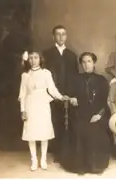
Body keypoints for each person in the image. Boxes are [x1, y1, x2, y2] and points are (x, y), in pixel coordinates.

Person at [18, 50, 68, 171]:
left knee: (43, 132)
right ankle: (34, 160)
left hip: (42, 104)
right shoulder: (25, 75)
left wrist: (61, 97)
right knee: (31, 133)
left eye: (36, 57)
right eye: (30, 58)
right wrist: (23, 110)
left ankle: (43, 159)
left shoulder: (46, 73)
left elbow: (52, 88)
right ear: (27, 60)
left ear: (40, 59)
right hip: (30, 105)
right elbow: (22, 94)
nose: (33, 60)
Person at [68, 52, 110, 175]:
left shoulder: (101, 80)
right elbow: (71, 95)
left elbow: (106, 101)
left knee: (95, 129)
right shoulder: (76, 79)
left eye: (89, 61)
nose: (86, 65)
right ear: (81, 64)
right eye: (84, 62)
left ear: (94, 63)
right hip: (80, 113)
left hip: (97, 114)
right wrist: (72, 98)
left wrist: (99, 115)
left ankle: (95, 165)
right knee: (79, 129)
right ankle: (81, 165)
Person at [43, 25, 78, 163]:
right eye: (58, 34)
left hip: (68, 93)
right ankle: (56, 151)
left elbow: (75, 75)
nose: (61, 37)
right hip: (51, 93)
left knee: (68, 121)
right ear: (53, 37)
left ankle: (67, 151)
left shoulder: (72, 55)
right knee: (54, 120)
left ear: (66, 36)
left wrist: (71, 93)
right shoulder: (47, 54)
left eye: (64, 34)